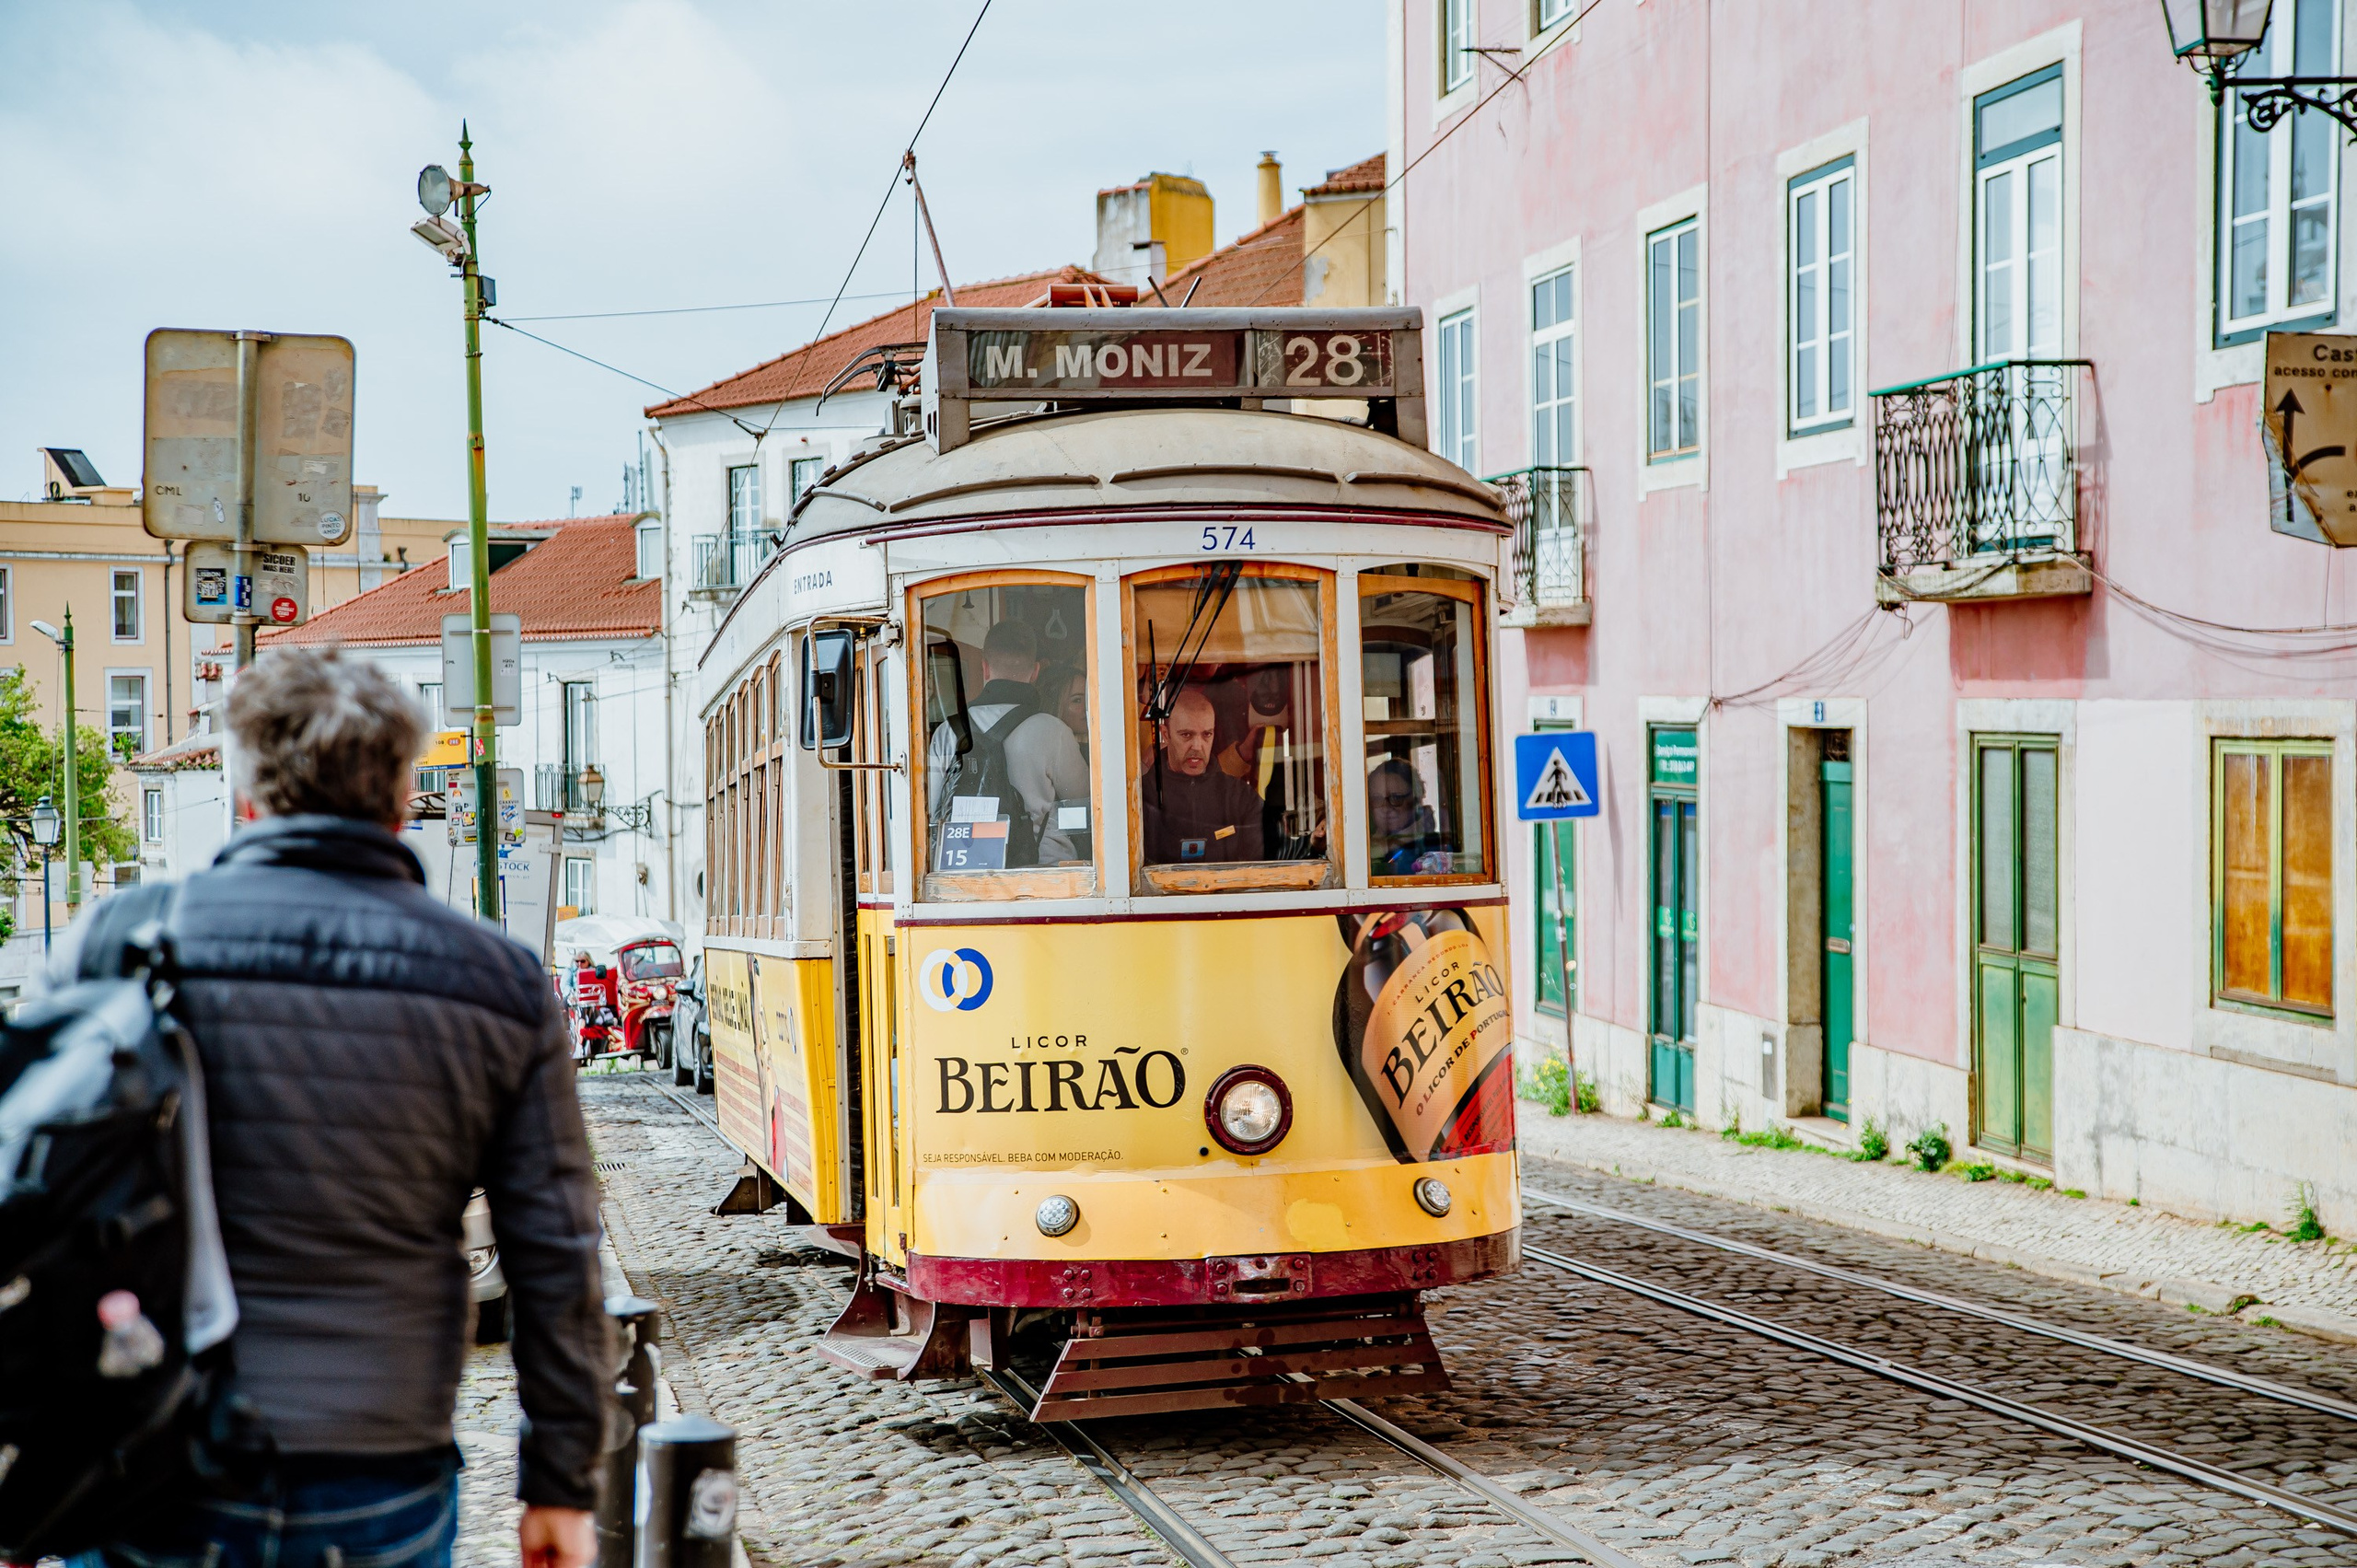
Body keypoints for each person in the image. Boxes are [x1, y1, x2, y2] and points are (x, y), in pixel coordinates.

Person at [57, 646, 607, 1568]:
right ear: (401, 800)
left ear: (245, 796)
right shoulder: (495, 979)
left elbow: (31, 1197)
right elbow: (555, 1250)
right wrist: (559, 1479)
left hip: (143, 1452)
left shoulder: (120, 939)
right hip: (376, 1459)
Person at [927, 620, 1089, 866]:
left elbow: (931, 811)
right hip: (1043, 874)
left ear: (985, 668)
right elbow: (1084, 803)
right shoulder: (1053, 730)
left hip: (962, 872)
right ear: (1035, 671)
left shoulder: (948, 731)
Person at [1144, 684, 1267, 864]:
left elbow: (1266, 865)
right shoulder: (1141, 798)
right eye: (1186, 735)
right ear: (1166, 734)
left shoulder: (1242, 799)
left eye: (1206, 735)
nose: (1197, 746)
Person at [1367, 757, 1451, 876]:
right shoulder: (1361, 847)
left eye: (1396, 798)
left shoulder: (1435, 845)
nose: (1385, 808)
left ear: (1416, 800)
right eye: (1376, 799)